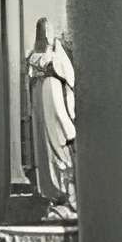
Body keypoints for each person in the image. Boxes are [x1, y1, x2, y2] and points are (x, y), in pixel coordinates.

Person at [25, 16, 77, 215]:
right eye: (40, 30)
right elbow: (31, 74)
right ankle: (51, 194)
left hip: (53, 98)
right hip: (40, 99)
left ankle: (66, 192)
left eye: (46, 30)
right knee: (43, 143)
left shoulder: (57, 55)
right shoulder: (33, 54)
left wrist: (49, 69)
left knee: (57, 138)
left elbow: (68, 78)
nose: (43, 34)